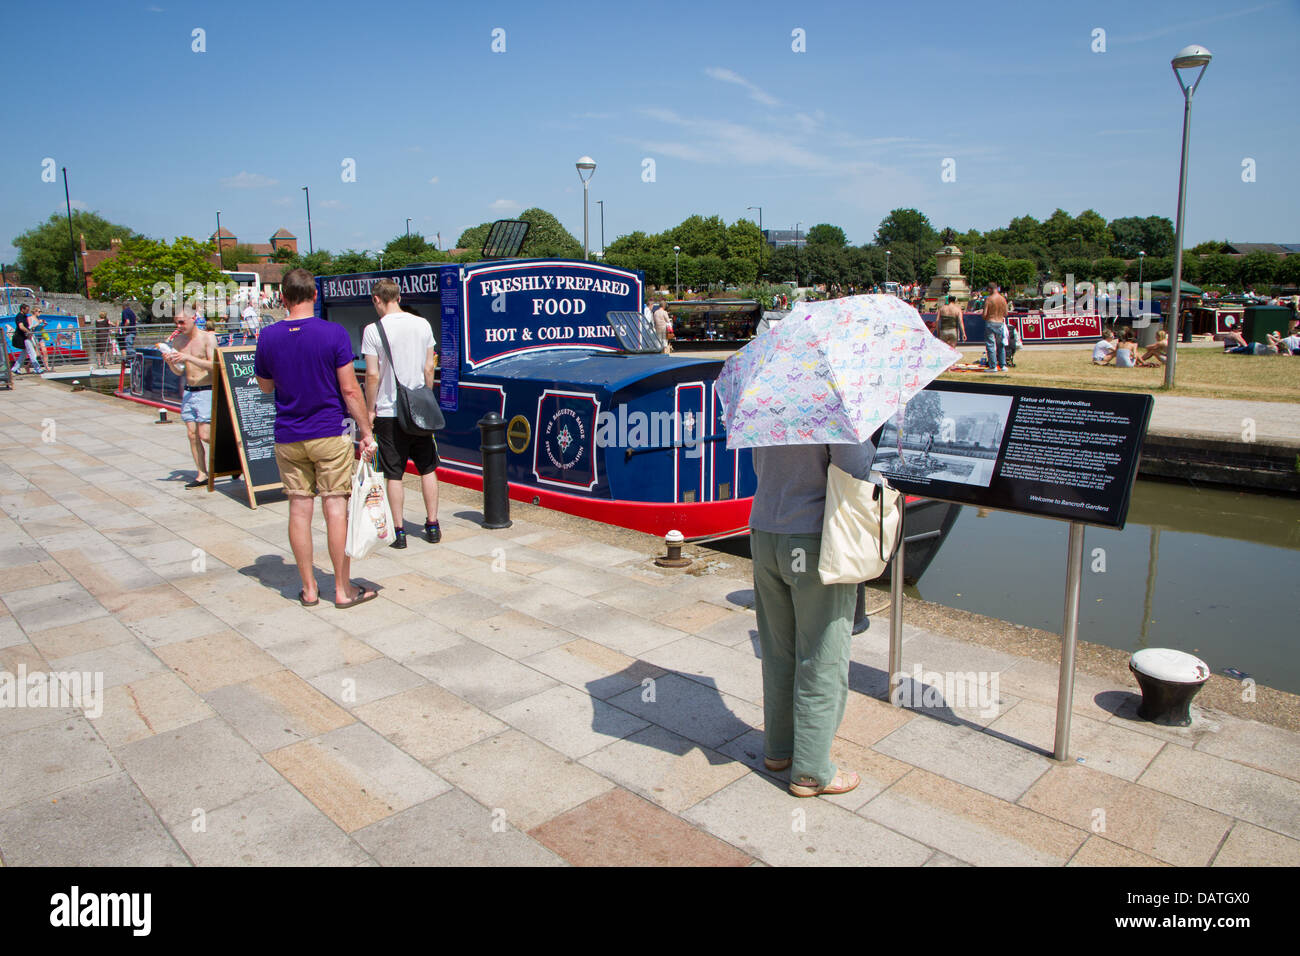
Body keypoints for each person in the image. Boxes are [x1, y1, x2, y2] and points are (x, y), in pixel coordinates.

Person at [750, 440, 876, 798]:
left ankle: (778, 750)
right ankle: (811, 771)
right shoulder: (832, 400)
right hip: (814, 538)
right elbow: (853, 468)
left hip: (765, 534)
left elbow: (762, 467)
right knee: (822, 653)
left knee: (778, 650)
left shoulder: (767, 394)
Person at [254, 268, 379, 609]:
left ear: (282, 298)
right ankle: (342, 589)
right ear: (314, 296)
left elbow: (265, 387)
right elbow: (350, 389)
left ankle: (309, 589)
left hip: (288, 434)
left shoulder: (267, 337)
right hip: (329, 432)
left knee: (299, 508)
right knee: (335, 506)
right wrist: (366, 431)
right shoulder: (333, 334)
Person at [361, 278, 441, 550]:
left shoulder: (373, 330)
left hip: (387, 412)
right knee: (428, 468)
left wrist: (369, 409)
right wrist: (425, 398)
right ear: (398, 295)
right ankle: (432, 525)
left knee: (393, 473)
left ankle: (400, 531)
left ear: (377, 299)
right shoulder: (422, 324)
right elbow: (429, 367)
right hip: (419, 411)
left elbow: (372, 375)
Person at [160, 310, 219, 487]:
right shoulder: (178, 341)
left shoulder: (207, 338)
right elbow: (179, 371)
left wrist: (188, 357)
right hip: (189, 391)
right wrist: (170, 362)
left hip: (207, 389)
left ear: (193, 319)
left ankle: (232, 456)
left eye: (181, 323)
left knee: (205, 435)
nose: (179, 327)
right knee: (192, 435)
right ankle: (202, 474)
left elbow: (215, 366)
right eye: (176, 323)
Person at [9, 304, 42, 375]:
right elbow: (21, 327)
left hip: (25, 337)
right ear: (22, 309)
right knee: (32, 353)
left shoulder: (24, 316)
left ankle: (15, 368)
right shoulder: (19, 316)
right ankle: (37, 369)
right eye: (27, 310)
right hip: (24, 337)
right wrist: (28, 332)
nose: (28, 311)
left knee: (24, 354)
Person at [982, 282, 1008, 371]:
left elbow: (985, 314)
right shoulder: (1003, 299)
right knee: (1001, 345)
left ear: (990, 289)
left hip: (991, 322)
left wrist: (984, 316)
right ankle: (1003, 365)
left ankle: (993, 366)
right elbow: (1006, 313)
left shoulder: (989, 299)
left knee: (991, 345)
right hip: (1000, 322)